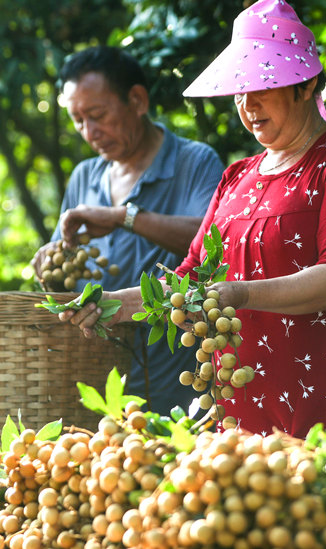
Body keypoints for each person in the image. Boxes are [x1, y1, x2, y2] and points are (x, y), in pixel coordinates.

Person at [60, 0, 326, 438]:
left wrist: (239, 293)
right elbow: (190, 279)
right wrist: (113, 304)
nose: (247, 105)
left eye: (262, 87)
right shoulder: (237, 177)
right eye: (240, 92)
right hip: (242, 417)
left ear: (305, 85)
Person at [31, 46, 224, 416]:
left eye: (98, 115)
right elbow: (67, 272)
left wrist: (124, 216)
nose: (90, 132)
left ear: (137, 100)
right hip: (99, 387)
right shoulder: (85, 177)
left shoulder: (195, 162)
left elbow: (213, 245)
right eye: (77, 120)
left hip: (181, 385)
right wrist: (50, 266)